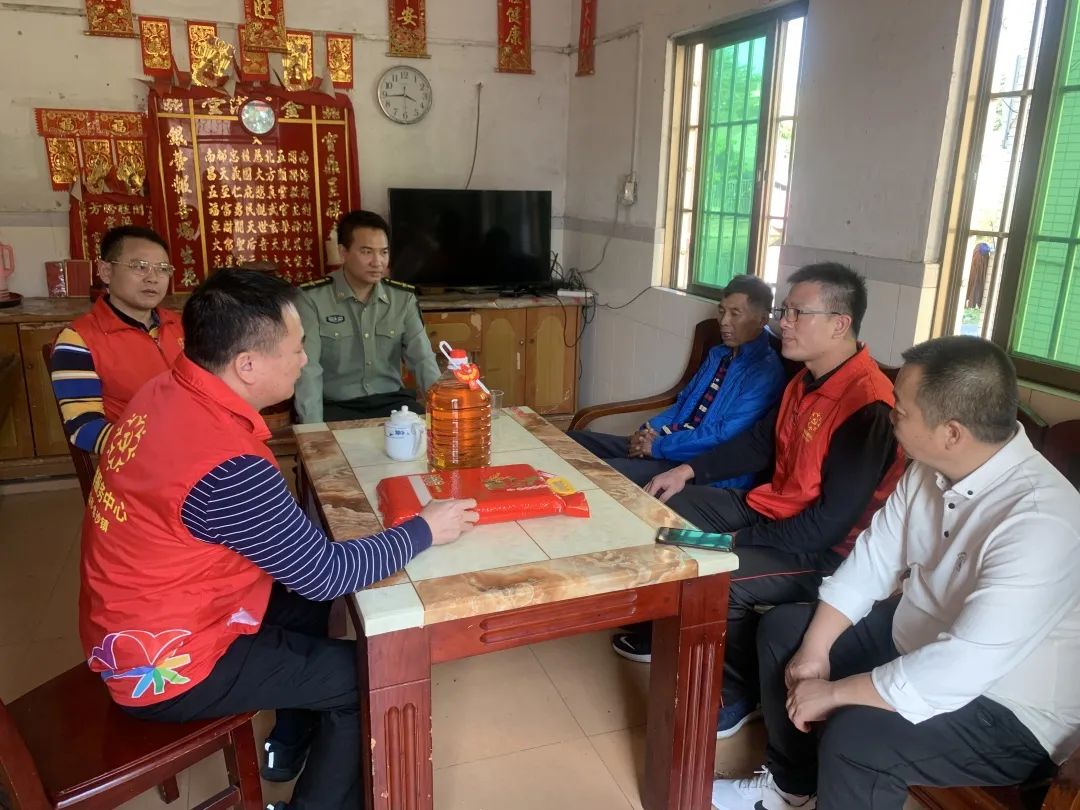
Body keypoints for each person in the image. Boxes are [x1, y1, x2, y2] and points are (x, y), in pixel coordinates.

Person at [78, 269, 478, 810]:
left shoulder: (165, 390)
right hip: (165, 664)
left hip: (137, 612)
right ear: (246, 365)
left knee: (308, 609)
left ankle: (291, 737)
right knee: (370, 678)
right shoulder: (226, 463)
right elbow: (325, 574)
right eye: (296, 348)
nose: (305, 360)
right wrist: (426, 528)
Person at [712, 335, 1080, 810]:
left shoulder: (1041, 521)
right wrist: (815, 650)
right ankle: (791, 788)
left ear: (951, 432)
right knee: (786, 634)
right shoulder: (930, 468)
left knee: (859, 736)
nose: (890, 415)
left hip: (1010, 706)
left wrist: (832, 694)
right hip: (918, 634)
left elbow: (961, 667)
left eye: (900, 410)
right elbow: (872, 561)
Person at [613, 263, 906, 741]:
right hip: (773, 508)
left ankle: (737, 691)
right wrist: (685, 471)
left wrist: (735, 539)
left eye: (796, 313)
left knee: (721, 573)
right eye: (784, 311)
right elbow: (759, 444)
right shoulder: (806, 378)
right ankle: (662, 630)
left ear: (840, 324)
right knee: (664, 508)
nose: (782, 322)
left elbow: (829, 525)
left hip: (825, 551)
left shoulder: (868, 404)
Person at [568, 274, 786, 487]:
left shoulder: (766, 372)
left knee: (596, 474)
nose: (724, 322)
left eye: (735, 314)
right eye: (722, 311)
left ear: (762, 319)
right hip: (669, 442)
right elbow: (683, 402)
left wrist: (658, 446)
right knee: (572, 442)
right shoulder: (718, 354)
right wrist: (647, 432)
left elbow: (722, 434)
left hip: (698, 465)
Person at [294, 210, 440, 423]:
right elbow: (308, 370)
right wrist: (313, 430)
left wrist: (445, 412)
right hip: (337, 406)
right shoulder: (312, 299)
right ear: (343, 252)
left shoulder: (402, 299)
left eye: (384, 252)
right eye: (366, 252)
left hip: (392, 403)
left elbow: (423, 360)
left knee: (426, 437)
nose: (377, 262)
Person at [50, 225, 184, 453]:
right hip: (141, 460)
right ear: (105, 271)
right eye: (140, 267)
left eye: (162, 269)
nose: (153, 278)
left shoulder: (181, 326)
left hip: (199, 448)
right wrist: (161, 447)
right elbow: (84, 428)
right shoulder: (78, 340)